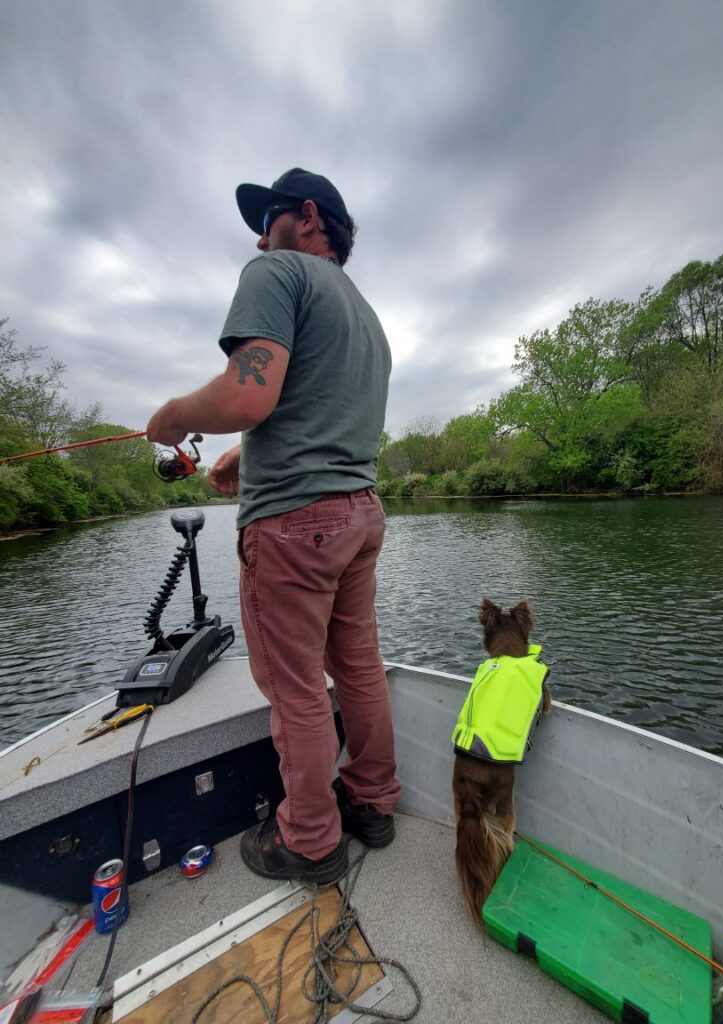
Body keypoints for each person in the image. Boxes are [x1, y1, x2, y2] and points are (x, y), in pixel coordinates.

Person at [146, 168, 402, 885]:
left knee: (295, 689)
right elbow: (314, 410)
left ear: (308, 217)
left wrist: (174, 418)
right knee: (357, 669)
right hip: (359, 515)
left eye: (270, 218)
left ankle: (312, 838)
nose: (261, 235)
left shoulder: (276, 271)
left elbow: (249, 389)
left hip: (294, 527)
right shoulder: (366, 316)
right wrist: (242, 454)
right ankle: (373, 803)